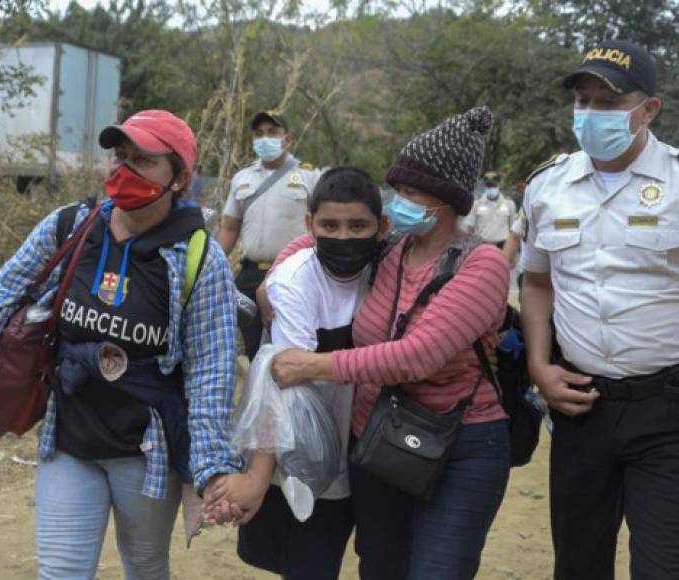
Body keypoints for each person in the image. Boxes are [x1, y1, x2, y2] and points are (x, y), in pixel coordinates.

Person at [0, 110, 243, 579]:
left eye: (142, 160)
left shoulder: (199, 259)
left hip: (146, 451)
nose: (123, 171)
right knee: (60, 571)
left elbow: (211, 372)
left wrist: (212, 468)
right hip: (70, 435)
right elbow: (2, 296)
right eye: (120, 157)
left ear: (179, 178)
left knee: (144, 565)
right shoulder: (71, 227)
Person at [519, 40, 679, 580]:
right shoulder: (546, 186)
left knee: (665, 569)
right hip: (582, 407)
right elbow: (536, 283)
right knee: (578, 566)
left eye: (608, 103)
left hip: (677, 409)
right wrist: (540, 364)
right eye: (582, 101)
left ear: (648, 109)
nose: (589, 114)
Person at [266, 108, 511, 580]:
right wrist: (272, 279)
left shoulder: (482, 265)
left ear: (448, 201)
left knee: (438, 570)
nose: (401, 201)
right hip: (379, 439)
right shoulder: (395, 246)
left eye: (414, 193)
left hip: (460, 442)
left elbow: (418, 355)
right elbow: (313, 239)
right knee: (381, 567)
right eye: (399, 190)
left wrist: (315, 366)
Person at [209, 167, 387, 579]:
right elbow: (283, 381)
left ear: (381, 227)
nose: (343, 237)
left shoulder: (392, 269)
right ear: (311, 225)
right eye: (330, 225)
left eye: (358, 225)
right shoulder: (294, 281)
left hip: (380, 453)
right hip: (311, 459)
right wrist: (257, 476)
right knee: (308, 566)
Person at [217, 111, 322, 359]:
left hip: (290, 275)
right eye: (259, 133)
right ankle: (256, 394)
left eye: (272, 132)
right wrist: (211, 264)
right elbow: (230, 228)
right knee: (253, 348)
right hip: (250, 275)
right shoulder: (241, 178)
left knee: (286, 346)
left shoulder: (310, 177)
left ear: (287, 138)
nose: (265, 139)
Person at [463, 171, 517, 248]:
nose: (491, 188)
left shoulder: (509, 205)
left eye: (494, 185)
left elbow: (513, 230)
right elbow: (470, 229)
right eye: (488, 186)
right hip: (480, 246)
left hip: (502, 247)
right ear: (485, 186)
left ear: (499, 186)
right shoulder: (476, 204)